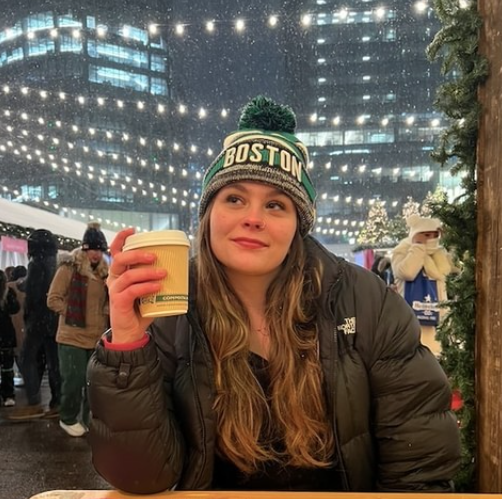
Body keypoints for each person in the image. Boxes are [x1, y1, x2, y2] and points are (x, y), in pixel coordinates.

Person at [87, 96, 461, 493]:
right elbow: (140, 477)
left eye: (275, 205)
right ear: (208, 214)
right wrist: (128, 343)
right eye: (234, 198)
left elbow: (419, 464)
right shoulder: (169, 308)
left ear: (297, 226)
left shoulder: (366, 301)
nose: (253, 217)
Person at [47, 222, 109, 437]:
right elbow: (53, 299)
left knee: (92, 385)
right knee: (73, 381)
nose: (96, 254)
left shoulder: (104, 274)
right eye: (92, 249)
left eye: (100, 249)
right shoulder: (69, 268)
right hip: (71, 336)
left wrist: (106, 311)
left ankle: (86, 419)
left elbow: (106, 302)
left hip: (95, 337)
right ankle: (68, 417)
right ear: (84, 248)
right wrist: (73, 312)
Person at [8, 230, 61, 420]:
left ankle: (34, 402)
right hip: (54, 319)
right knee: (54, 362)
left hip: (38, 319)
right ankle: (58, 402)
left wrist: (22, 286)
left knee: (26, 358)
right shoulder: (55, 264)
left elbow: (34, 291)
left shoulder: (37, 264)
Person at [391, 214, 453, 356]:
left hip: (439, 323)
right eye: (426, 234)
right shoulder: (402, 251)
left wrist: (451, 240)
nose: (430, 239)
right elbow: (407, 272)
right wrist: (418, 247)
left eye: (435, 235)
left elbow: (456, 266)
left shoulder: (439, 254)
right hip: (412, 325)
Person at [0, 268, 20, 406]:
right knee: (7, 366)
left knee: (7, 366)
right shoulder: (8, 294)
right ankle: (8, 395)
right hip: (5, 333)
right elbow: (15, 309)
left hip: (5, 333)